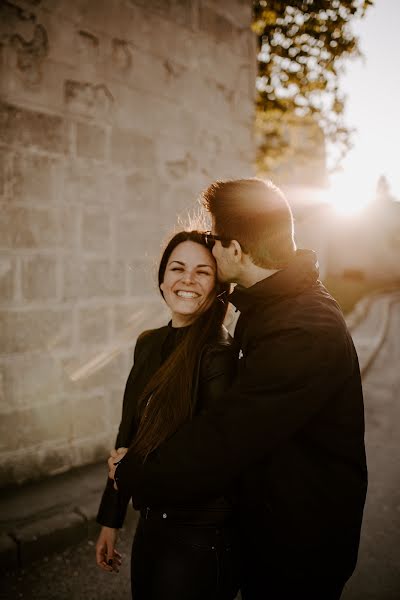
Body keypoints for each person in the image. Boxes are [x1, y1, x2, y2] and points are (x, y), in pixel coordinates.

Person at [110, 178, 368, 600]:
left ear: (234, 249)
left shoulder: (304, 327)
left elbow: (230, 433)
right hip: (268, 528)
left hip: (301, 547)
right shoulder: (267, 305)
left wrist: (139, 470)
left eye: (212, 240)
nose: (208, 249)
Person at [96, 230, 240, 600]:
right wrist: (111, 521)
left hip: (199, 537)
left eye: (203, 272)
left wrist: (131, 469)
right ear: (162, 281)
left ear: (218, 286)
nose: (187, 279)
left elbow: (211, 457)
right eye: (177, 268)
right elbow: (127, 431)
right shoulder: (148, 343)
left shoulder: (219, 354)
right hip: (151, 525)